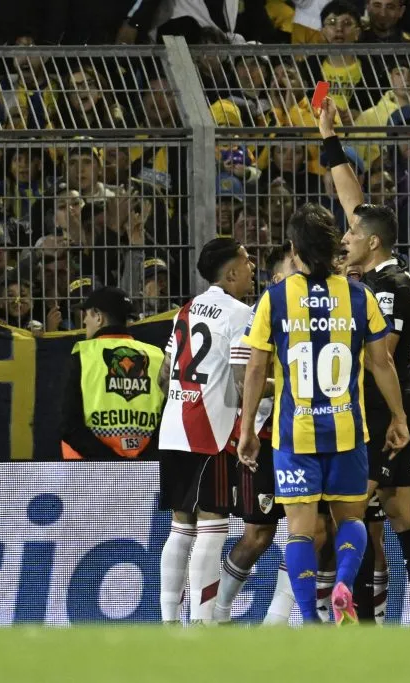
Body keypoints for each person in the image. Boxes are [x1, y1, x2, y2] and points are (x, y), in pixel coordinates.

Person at [237, 196, 410, 626]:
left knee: (299, 530)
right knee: (350, 518)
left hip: (295, 435)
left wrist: (245, 428)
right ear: (335, 245)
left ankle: (312, 622)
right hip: (348, 431)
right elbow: (382, 363)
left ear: (294, 250)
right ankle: (346, 584)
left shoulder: (274, 299)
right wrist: (399, 417)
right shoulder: (359, 295)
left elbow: (256, 366)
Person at [320, 96, 410, 623]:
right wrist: (328, 138)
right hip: (380, 408)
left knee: (350, 511)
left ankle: (360, 618)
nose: (342, 240)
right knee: (400, 512)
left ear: (371, 244)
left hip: (379, 409)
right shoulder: (374, 265)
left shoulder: (388, 285)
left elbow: (381, 357)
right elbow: (352, 199)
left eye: (350, 236)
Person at [157, 237, 257, 624]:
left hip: (173, 427)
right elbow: (239, 379)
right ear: (231, 272)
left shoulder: (185, 310)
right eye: (247, 261)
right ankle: (202, 621)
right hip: (210, 431)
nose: (251, 267)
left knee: (181, 525)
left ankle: (168, 621)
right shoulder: (239, 314)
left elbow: (165, 375)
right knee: (213, 523)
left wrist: (181, 402)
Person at [213, 243, 297, 624]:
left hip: (309, 437)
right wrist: (292, 382)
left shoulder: (326, 309)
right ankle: (218, 612)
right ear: (277, 279)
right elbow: (240, 379)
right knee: (258, 536)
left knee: (312, 532)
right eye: (296, 266)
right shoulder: (259, 315)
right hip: (264, 437)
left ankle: (274, 626)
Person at [60, 286, 166, 460]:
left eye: (86, 315)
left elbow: (69, 425)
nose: (84, 321)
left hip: (89, 471)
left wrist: (111, 463)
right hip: (146, 470)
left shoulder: (83, 355)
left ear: (98, 316)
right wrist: (143, 460)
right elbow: (169, 421)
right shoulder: (157, 356)